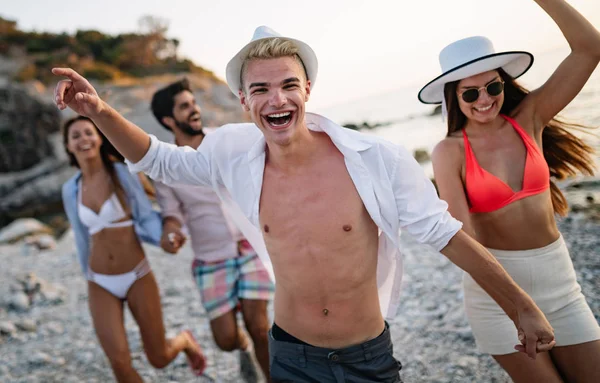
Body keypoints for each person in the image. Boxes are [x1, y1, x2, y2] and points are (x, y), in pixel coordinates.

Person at [53, 26, 556, 383]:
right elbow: (160, 160)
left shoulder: (375, 158)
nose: (278, 100)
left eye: (289, 85)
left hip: (368, 356)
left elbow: (447, 235)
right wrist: (98, 110)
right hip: (291, 356)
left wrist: (523, 308)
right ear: (244, 103)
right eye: (261, 90)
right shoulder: (231, 154)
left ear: (307, 90)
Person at [418, 0, 600, 381]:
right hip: (498, 296)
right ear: (454, 96)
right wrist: (519, 308)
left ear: (504, 83)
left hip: (561, 284)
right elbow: (462, 237)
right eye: (470, 93)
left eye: (493, 86)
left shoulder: (529, 119)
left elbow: (590, 48)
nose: (484, 100)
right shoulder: (449, 152)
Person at [61, 116, 206, 382]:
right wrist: (86, 273)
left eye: (88, 133)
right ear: (68, 146)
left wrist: (165, 240)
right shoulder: (70, 189)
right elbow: (82, 237)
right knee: (119, 364)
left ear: (99, 138)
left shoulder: (123, 173)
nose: (83, 139)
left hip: (137, 275)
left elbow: (145, 216)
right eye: (76, 136)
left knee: (159, 357)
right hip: (99, 281)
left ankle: (184, 340)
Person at [150, 78, 274, 382]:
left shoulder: (224, 140)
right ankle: (241, 347)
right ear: (169, 120)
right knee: (226, 339)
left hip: (249, 246)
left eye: (193, 103)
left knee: (259, 326)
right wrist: (171, 233)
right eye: (184, 107)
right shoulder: (165, 166)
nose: (194, 110)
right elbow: (171, 214)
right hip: (210, 257)